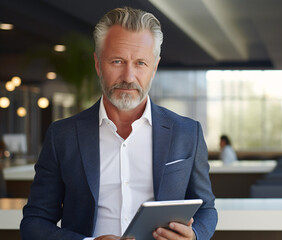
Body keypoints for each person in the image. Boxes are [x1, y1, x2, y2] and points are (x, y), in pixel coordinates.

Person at [20, 7, 217, 240]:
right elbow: (34, 223)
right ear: (97, 64)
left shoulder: (187, 133)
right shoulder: (62, 136)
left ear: (154, 67)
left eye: (141, 63)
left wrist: (194, 235)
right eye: (117, 61)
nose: (128, 77)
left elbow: (206, 209)